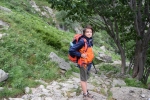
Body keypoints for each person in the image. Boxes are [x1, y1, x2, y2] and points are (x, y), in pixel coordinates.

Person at [69, 25, 94, 100]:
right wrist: (80, 55)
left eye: (90, 32)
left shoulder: (89, 40)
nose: (89, 33)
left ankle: (86, 92)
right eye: (87, 32)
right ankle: (85, 95)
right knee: (83, 79)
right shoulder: (82, 41)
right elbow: (71, 50)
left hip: (88, 63)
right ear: (84, 33)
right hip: (83, 63)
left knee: (85, 79)